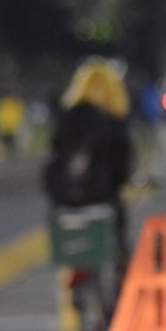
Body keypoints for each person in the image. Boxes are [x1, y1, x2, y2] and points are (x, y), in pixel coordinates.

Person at [42, 58, 135, 266]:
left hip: (64, 196)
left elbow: (54, 157)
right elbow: (122, 167)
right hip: (101, 196)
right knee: (119, 240)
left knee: (68, 244)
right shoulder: (114, 121)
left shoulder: (66, 117)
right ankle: (119, 279)